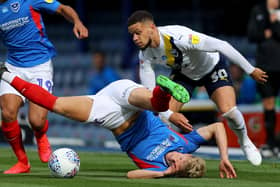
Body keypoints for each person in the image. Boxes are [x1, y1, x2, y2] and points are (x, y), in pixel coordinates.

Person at [0, 66, 236, 179]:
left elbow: (131, 175)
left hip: (112, 113)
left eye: (180, 164)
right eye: (185, 158)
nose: (179, 158)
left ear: (177, 170)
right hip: (132, 100)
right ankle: (162, 90)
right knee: (157, 106)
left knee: (56, 105)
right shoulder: (185, 144)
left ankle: (5, 73)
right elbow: (217, 127)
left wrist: (164, 174)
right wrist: (224, 157)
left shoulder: (156, 168)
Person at [127, 10, 268, 166]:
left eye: (138, 33)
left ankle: (245, 141)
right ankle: (165, 157)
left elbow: (222, 45)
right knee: (164, 116)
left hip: (212, 67)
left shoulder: (179, 37)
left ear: (152, 28)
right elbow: (152, 97)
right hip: (184, 74)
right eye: (132, 34)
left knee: (230, 112)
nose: (135, 38)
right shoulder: (144, 55)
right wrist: (169, 114)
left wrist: (251, 70)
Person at [0, 0, 88, 174]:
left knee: (36, 120)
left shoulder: (30, 1)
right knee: (8, 113)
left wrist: (77, 22)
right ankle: (22, 162)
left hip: (39, 66)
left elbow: (64, 8)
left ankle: (40, 136)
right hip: (14, 66)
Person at [247, 0, 280, 158]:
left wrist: (274, 26)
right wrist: (266, 31)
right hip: (265, 66)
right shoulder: (258, 10)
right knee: (268, 104)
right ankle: (270, 143)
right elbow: (252, 35)